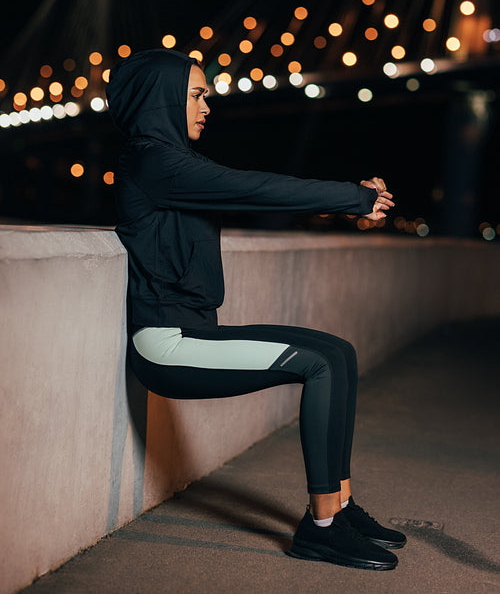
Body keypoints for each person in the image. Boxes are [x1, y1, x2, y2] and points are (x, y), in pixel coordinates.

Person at [106, 48, 406, 571]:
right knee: (318, 364)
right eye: (197, 94)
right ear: (164, 98)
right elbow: (256, 187)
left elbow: (248, 186)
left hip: (194, 333)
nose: (208, 105)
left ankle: (339, 504)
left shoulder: (175, 162)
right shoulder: (152, 161)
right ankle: (322, 528)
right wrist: (352, 196)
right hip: (166, 345)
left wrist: (351, 197)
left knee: (338, 352)